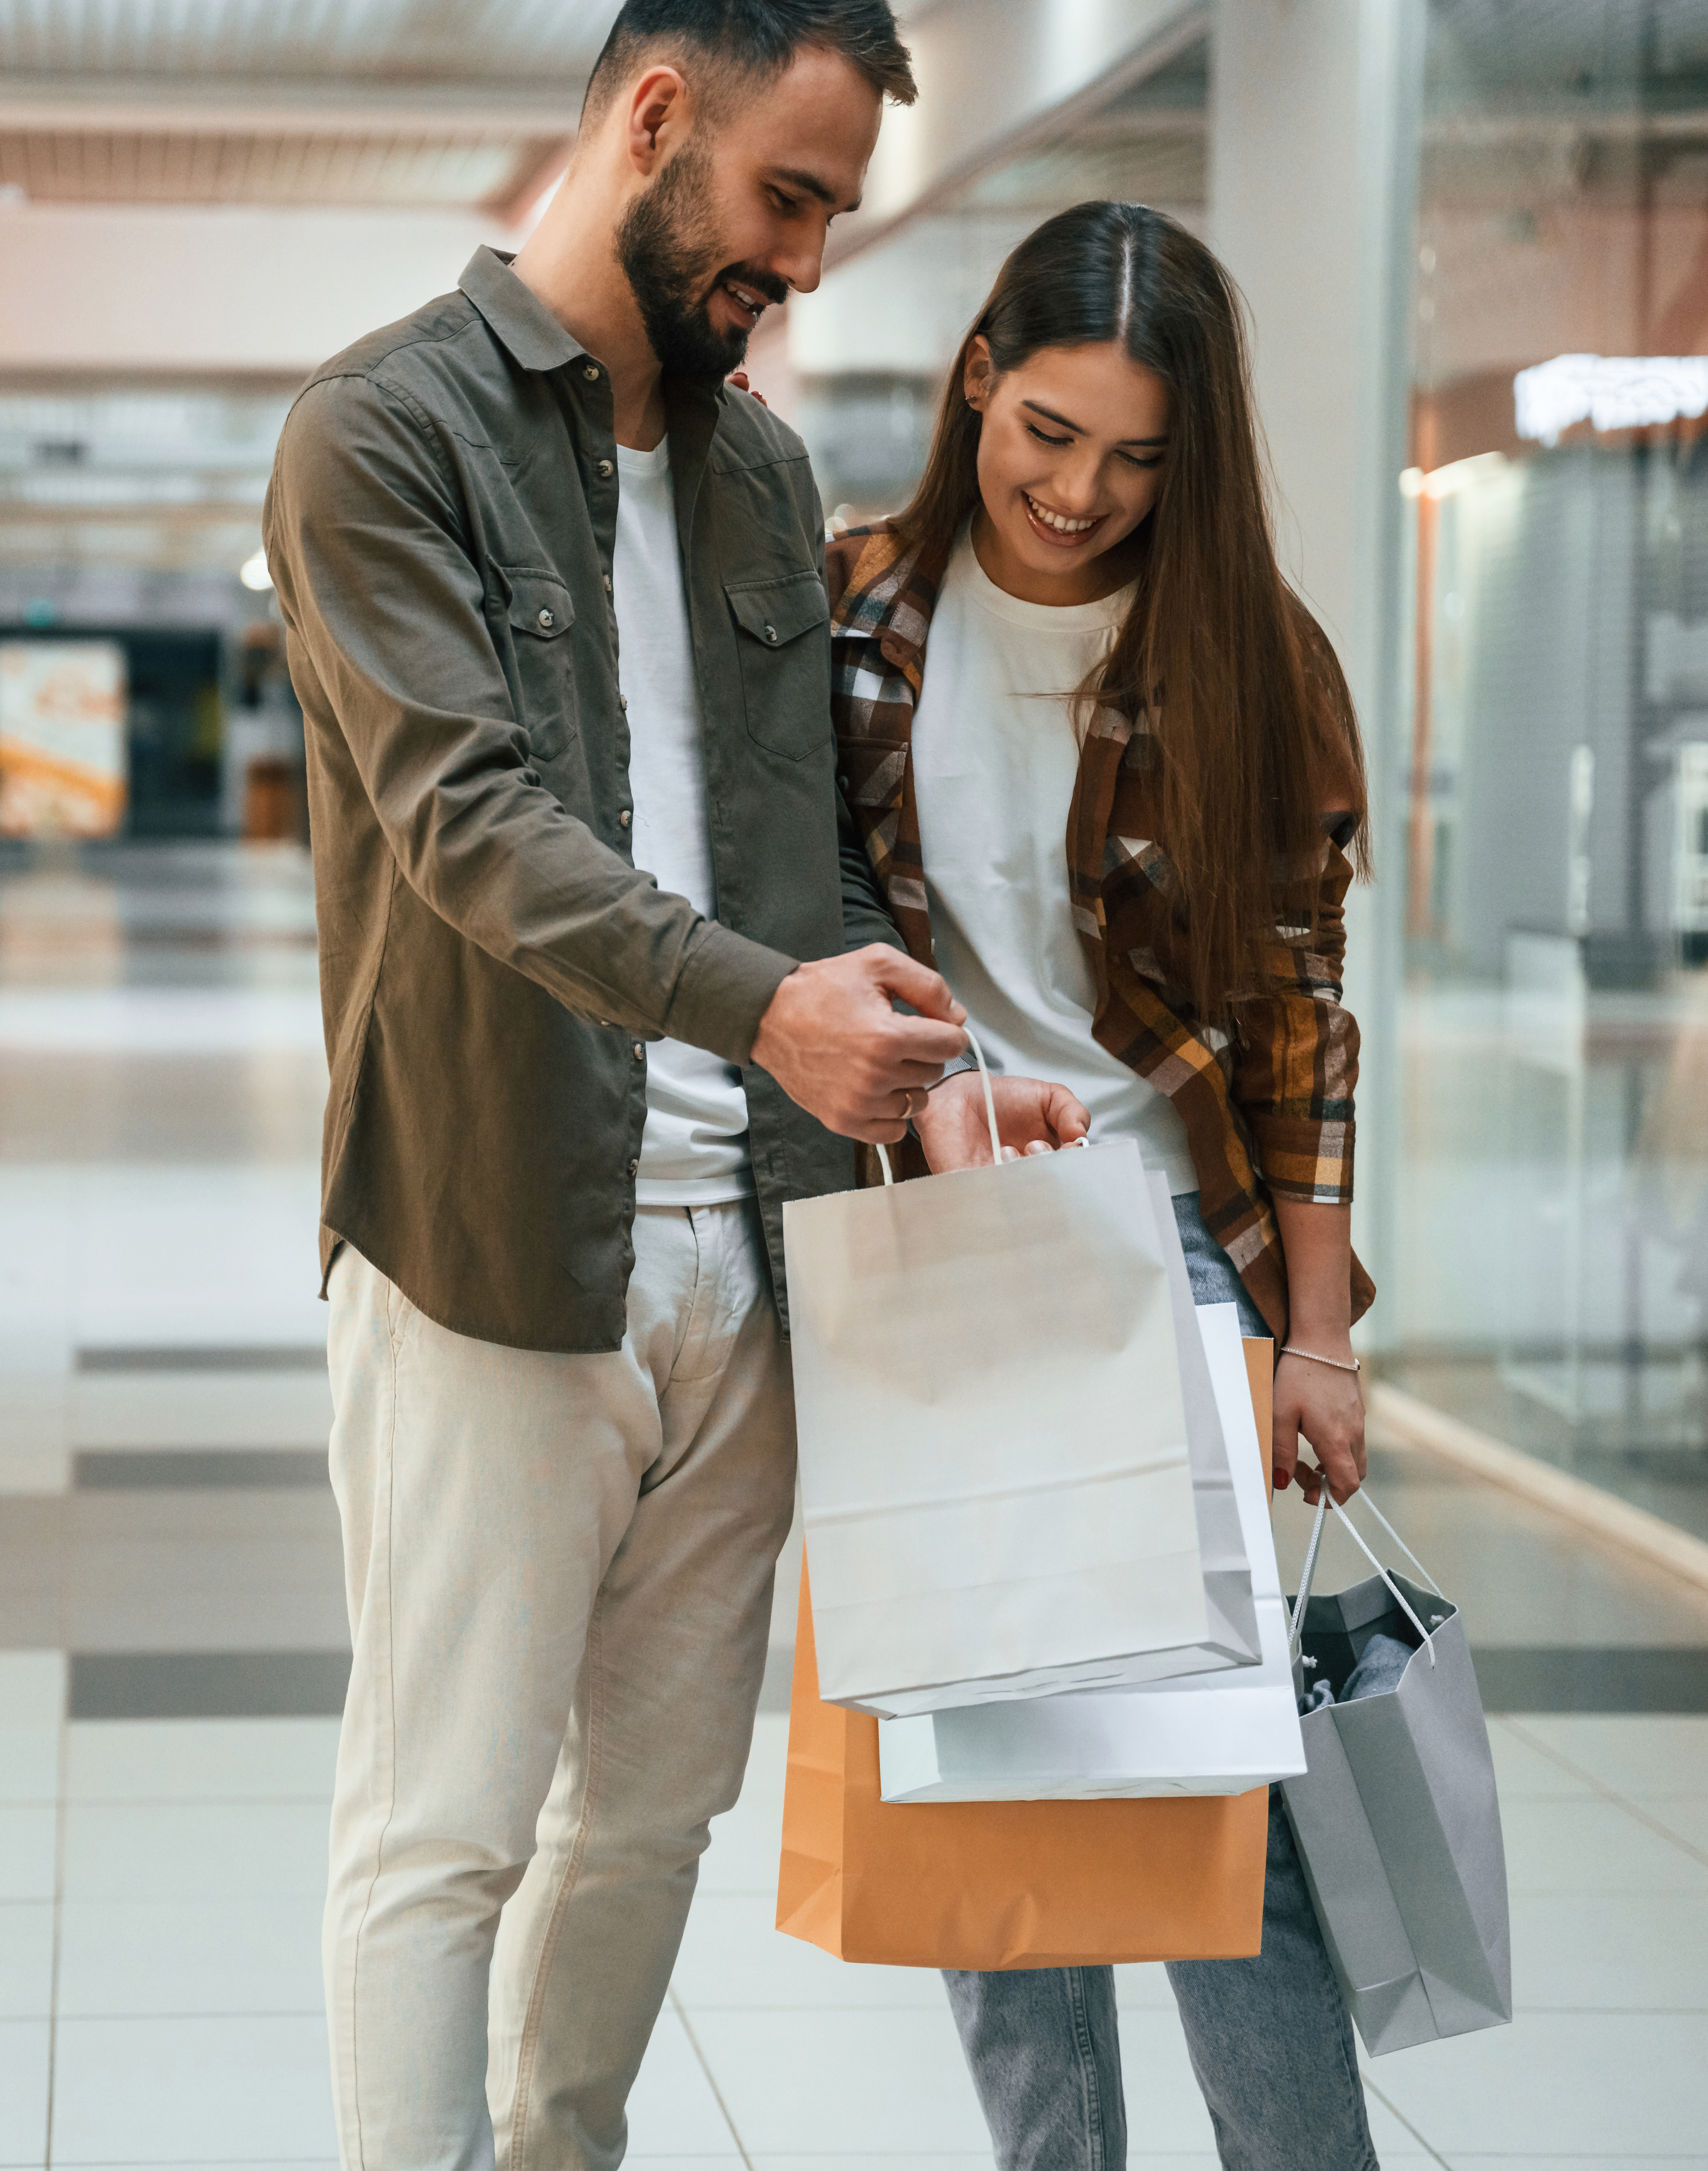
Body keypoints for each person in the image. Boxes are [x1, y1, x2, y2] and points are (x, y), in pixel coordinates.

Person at [263, 8, 1094, 2169]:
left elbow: (800, 845)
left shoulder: (760, 472)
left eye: (830, 214)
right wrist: (760, 1011)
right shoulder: (382, 433)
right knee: (442, 1825)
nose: (803, 263)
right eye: (783, 198)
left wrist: (922, 1089)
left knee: (649, 1816)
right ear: (654, 121)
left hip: (759, 1258)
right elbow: (469, 822)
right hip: (495, 1247)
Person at [821, 199, 1382, 2168]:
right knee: (999, 1838)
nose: (1083, 490)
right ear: (980, 374)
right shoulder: (853, 614)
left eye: (1141, 457)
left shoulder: (1246, 656)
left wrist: (1319, 1336)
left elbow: (1301, 1021)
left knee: (1228, 1836)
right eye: (1050, 430)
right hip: (939, 1277)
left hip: (1176, 1282)